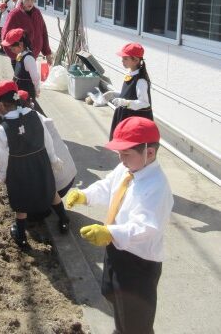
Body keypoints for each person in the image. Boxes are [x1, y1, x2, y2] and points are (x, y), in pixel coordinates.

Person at [65, 117, 173, 334]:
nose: (121, 159)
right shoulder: (128, 169)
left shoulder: (157, 187)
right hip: (116, 248)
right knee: (112, 294)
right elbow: (108, 186)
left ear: (150, 152)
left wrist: (109, 232)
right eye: (119, 153)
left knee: (136, 319)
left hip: (138, 261)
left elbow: (146, 227)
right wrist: (85, 195)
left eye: (126, 154)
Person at [0, 80, 70, 249]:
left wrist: (2, 175)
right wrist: (53, 159)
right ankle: (64, 219)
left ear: (1, 105)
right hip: (40, 162)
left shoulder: (3, 128)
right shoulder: (35, 115)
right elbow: (47, 140)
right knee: (50, 190)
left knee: (20, 201)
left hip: (18, 168)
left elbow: (1, 157)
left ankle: (21, 237)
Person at [108, 43, 153, 141]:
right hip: (125, 115)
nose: (122, 61)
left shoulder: (141, 80)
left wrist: (124, 102)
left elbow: (144, 103)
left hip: (133, 119)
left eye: (125, 58)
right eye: (122, 58)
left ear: (136, 60)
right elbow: (129, 93)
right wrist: (113, 94)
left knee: (129, 144)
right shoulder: (130, 74)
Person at [2, 0, 53, 70]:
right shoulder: (15, 14)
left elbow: (43, 33)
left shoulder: (37, 13)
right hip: (19, 58)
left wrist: (47, 53)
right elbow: (5, 36)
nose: (30, 2)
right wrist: (15, 55)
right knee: (22, 78)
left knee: (31, 77)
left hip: (33, 56)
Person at [2, 27, 40, 101]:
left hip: (26, 91)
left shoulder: (28, 58)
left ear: (21, 44)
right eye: (10, 49)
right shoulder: (20, 55)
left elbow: (35, 77)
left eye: (13, 48)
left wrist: (37, 88)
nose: (12, 51)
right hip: (18, 89)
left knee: (25, 106)